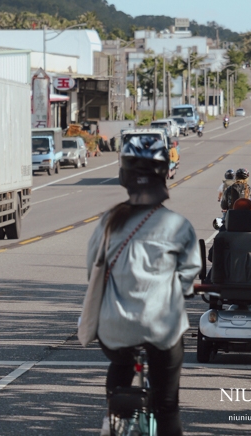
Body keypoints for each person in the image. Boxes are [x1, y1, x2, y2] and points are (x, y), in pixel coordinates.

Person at [86, 135, 201, 436]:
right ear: (165, 174)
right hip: (162, 331)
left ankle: (115, 415)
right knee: (167, 406)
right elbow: (188, 274)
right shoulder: (178, 225)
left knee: (121, 365)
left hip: (114, 330)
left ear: (123, 176)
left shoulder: (108, 222)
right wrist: (183, 288)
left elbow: (93, 272)